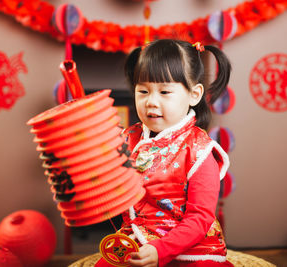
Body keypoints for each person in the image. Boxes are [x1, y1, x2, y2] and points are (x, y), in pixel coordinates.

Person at [98, 39, 233, 267]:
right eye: (143, 91)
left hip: (192, 246)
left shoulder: (199, 150)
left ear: (194, 94)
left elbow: (201, 218)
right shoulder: (128, 139)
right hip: (139, 241)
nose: (151, 101)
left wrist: (161, 250)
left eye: (164, 91)